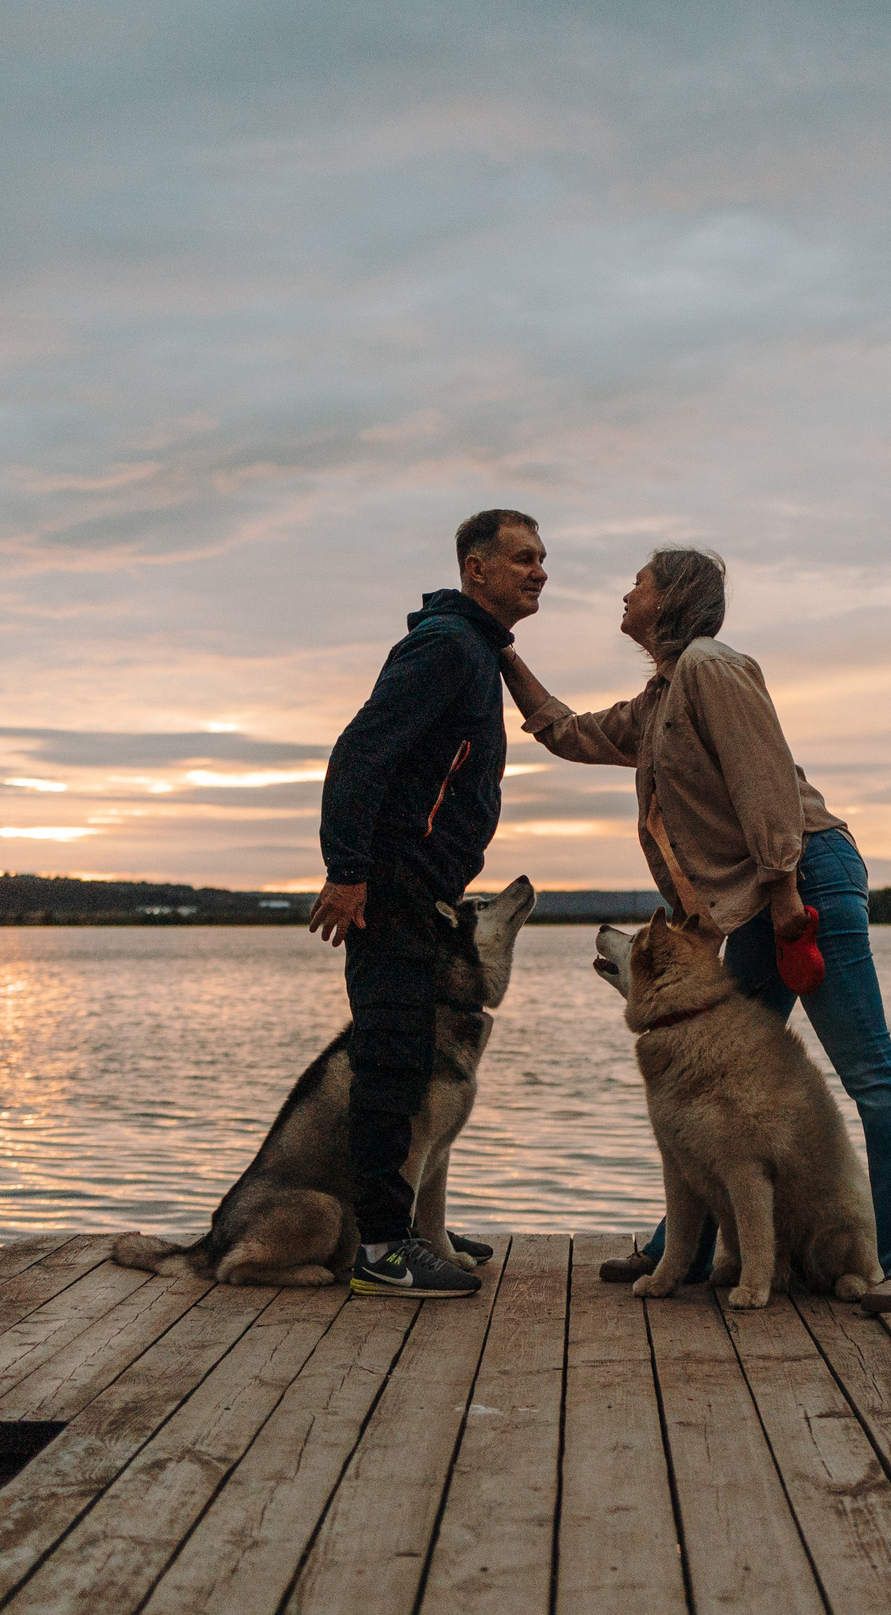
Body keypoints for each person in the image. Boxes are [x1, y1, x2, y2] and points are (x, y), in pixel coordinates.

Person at [497, 546, 891, 1315]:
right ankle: (681, 1247)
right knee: (700, 1073)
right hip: (757, 895)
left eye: (639, 581)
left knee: (869, 1070)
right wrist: (504, 653)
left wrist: (786, 902)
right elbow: (567, 731)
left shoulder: (713, 667)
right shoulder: (661, 699)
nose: (627, 590)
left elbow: (764, 778)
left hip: (802, 878)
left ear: (672, 599)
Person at [310, 508, 546, 1298]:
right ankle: (381, 1248)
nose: (539, 570)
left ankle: (406, 1225)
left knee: (409, 1062)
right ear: (474, 568)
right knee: (391, 1065)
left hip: (425, 893)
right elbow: (361, 750)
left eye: (543, 559)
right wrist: (348, 870)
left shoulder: (476, 650)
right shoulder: (446, 647)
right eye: (521, 558)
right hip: (391, 889)